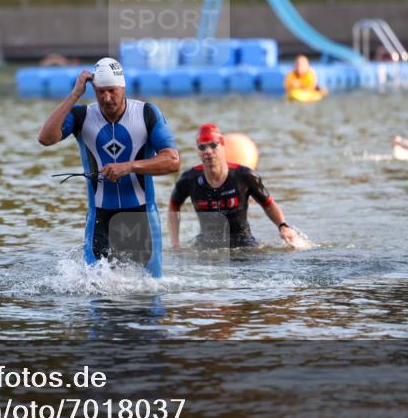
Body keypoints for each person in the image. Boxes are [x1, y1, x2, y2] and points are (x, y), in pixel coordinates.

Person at [38, 58, 179, 277]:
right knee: (96, 294)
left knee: (150, 295)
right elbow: (45, 138)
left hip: (141, 215)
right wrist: (75, 94)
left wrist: (129, 166)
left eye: (112, 91)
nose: (106, 98)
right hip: (100, 218)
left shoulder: (146, 114)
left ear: (123, 87)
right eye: (100, 92)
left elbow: (172, 161)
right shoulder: (81, 116)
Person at [168, 123, 304, 250]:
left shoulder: (245, 176)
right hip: (207, 244)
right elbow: (173, 205)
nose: (208, 151)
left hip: (243, 242)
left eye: (213, 145)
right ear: (198, 151)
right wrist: (175, 244)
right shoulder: (188, 179)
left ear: (223, 146)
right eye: (202, 147)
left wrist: (283, 226)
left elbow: (268, 203)